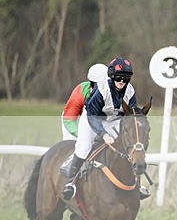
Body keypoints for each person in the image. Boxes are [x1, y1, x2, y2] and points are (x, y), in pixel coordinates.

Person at [61, 56, 150, 201]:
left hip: (113, 120)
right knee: (83, 147)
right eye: (118, 77)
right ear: (111, 76)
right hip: (92, 119)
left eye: (126, 78)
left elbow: (130, 115)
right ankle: (70, 183)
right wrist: (103, 134)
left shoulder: (130, 91)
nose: (122, 81)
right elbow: (92, 116)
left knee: (129, 145)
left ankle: (138, 185)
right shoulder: (102, 89)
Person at [61, 63, 108, 140]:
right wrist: (82, 136)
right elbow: (68, 120)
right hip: (73, 121)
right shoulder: (80, 92)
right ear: (92, 83)